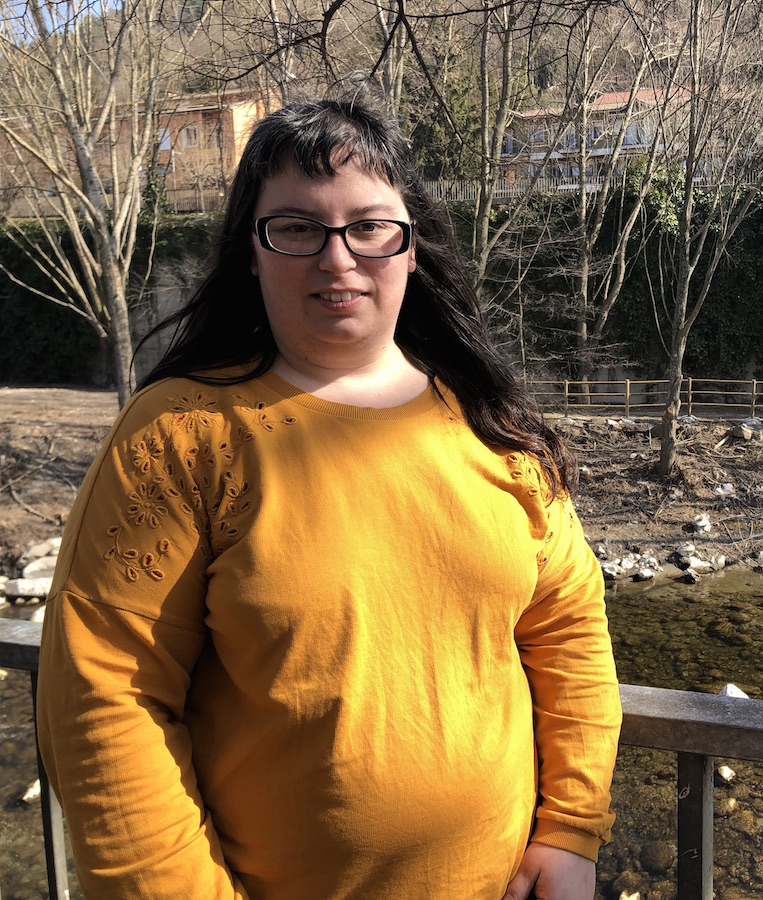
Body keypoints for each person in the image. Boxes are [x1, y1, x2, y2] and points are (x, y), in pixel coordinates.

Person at [36, 97, 621, 900]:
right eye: (296, 228)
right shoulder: (180, 437)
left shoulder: (495, 430)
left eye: (369, 227)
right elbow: (105, 696)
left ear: (412, 246)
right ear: (251, 252)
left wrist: (571, 830)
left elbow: (570, 634)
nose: (338, 259)